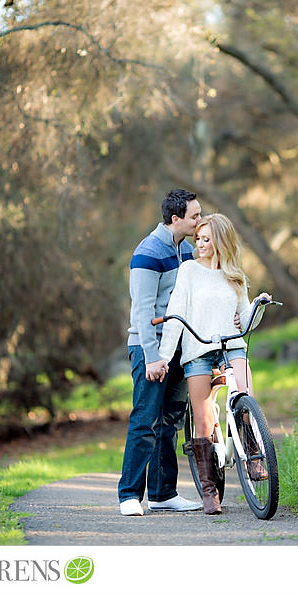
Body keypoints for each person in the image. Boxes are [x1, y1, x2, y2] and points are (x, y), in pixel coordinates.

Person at [156, 213, 270, 514]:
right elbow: (175, 314)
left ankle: (253, 457)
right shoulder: (189, 270)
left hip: (232, 344)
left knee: (246, 397)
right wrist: (165, 357)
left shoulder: (234, 275)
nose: (201, 244)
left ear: (221, 241)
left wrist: (257, 305)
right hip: (199, 349)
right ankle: (209, 490)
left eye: (207, 239)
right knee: (204, 420)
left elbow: (246, 320)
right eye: (199, 238)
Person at [117, 189, 203, 516]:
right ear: (175, 218)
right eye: (194, 216)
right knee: (146, 420)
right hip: (148, 347)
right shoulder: (147, 253)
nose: (199, 221)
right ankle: (128, 495)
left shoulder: (188, 251)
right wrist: (153, 357)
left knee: (170, 421)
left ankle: (163, 493)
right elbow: (142, 310)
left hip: (179, 346)